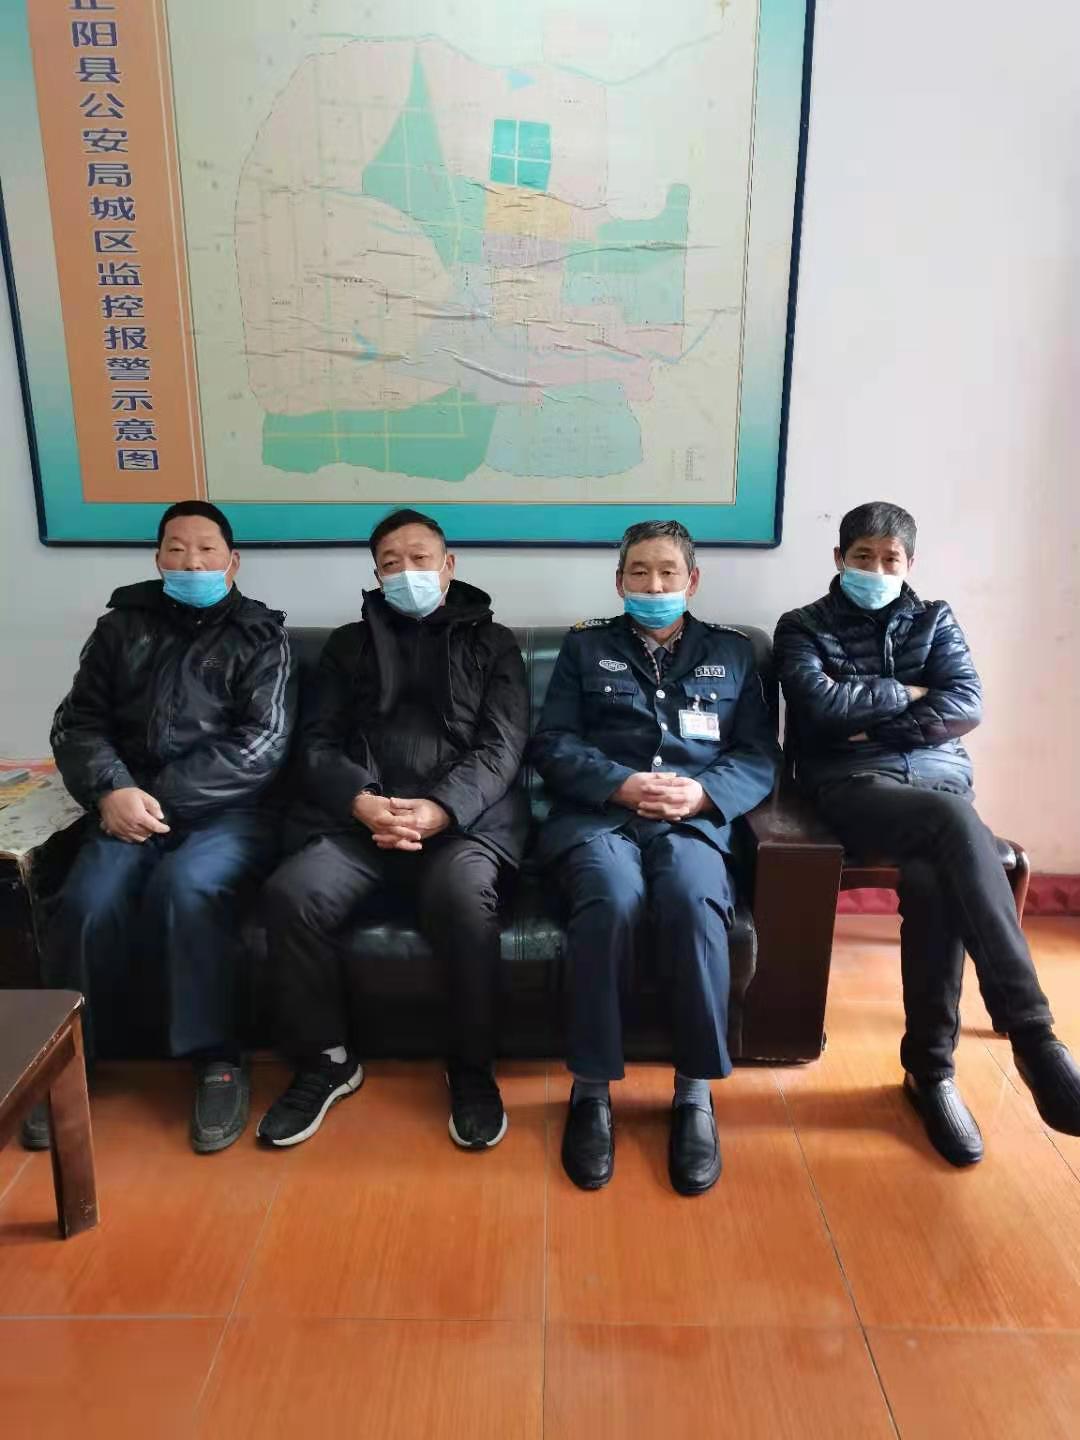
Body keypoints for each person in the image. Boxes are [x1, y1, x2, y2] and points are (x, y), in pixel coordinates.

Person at [774, 499, 1080, 1165]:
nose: (877, 570)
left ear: (910, 563)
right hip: (851, 787)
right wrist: (908, 692)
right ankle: (1033, 1033)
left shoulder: (936, 619)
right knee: (954, 825)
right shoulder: (802, 626)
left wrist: (869, 716)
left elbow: (965, 702)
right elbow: (820, 709)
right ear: (839, 558)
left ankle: (930, 1073)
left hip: (937, 786)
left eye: (891, 559)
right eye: (863, 557)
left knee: (936, 876)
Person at [24, 500, 295, 1154]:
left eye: (206, 549)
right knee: (87, 900)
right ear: (157, 558)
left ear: (233, 561)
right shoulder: (121, 629)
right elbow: (77, 724)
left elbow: (261, 745)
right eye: (177, 548)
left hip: (228, 811)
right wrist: (111, 790)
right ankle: (70, 1058)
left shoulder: (262, 636)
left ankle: (217, 1058)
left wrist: (154, 797)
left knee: (188, 889)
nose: (191, 562)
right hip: (123, 804)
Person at [257, 508, 529, 1151]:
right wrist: (363, 802)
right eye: (390, 562)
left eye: (420, 558)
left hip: (461, 824)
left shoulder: (494, 644)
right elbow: (316, 742)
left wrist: (439, 809)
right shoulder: (346, 646)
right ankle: (326, 1061)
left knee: (463, 899)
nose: (406, 572)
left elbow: (502, 746)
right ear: (376, 573)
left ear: (448, 565)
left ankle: (471, 1068)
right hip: (360, 821)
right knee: (293, 893)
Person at [530, 520, 780, 1195]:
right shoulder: (586, 647)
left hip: (690, 823)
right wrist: (620, 784)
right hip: (599, 818)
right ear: (619, 581)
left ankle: (694, 1093)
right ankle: (590, 1091)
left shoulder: (733, 652)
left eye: (668, 571)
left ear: (691, 580)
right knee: (610, 898)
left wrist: (703, 794)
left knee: (695, 903)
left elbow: (759, 754)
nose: (653, 583)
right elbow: (552, 743)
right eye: (639, 571)